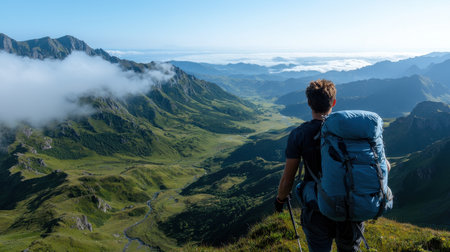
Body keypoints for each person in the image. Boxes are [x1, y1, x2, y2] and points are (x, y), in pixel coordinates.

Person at [274, 79, 365, 252]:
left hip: (317, 209)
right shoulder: (351, 131)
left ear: (309, 103)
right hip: (350, 205)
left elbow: (288, 178)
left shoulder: (299, 134)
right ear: (334, 102)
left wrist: (280, 199)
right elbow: (384, 166)